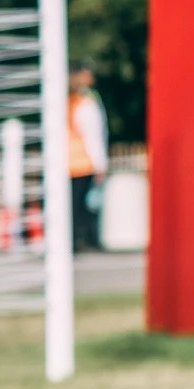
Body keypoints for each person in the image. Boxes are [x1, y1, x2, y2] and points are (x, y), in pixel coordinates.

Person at [67, 61, 108, 252]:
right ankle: (82, 239)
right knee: (81, 206)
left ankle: (75, 239)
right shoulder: (85, 103)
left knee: (72, 205)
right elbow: (93, 135)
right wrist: (100, 163)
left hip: (68, 161)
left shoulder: (68, 102)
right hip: (82, 162)